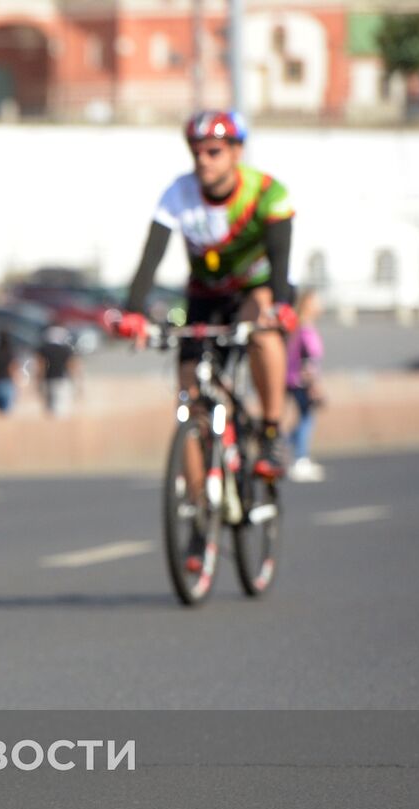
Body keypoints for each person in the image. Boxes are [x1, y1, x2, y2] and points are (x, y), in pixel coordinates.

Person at [115, 110, 294, 573]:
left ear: (236, 152)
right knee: (192, 403)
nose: (203, 160)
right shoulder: (179, 194)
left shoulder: (265, 193)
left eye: (214, 151)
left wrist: (280, 305)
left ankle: (271, 432)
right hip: (203, 297)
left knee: (265, 329)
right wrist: (133, 313)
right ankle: (199, 518)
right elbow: (150, 258)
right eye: (196, 151)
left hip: (252, 292)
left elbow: (280, 267)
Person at [286, 290, 326, 482]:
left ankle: (283, 447)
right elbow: (308, 359)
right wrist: (313, 385)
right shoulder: (305, 329)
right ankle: (300, 459)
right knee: (306, 419)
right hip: (301, 381)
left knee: (303, 419)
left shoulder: (298, 327)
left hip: (294, 379)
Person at [36, 326, 79, 417]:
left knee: (50, 409)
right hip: (61, 380)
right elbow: (71, 366)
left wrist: (38, 380)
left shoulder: (44, 349)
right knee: (60, 409)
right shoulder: (66, 350)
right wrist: (75, 380)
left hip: (48, 380)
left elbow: (41, 366)